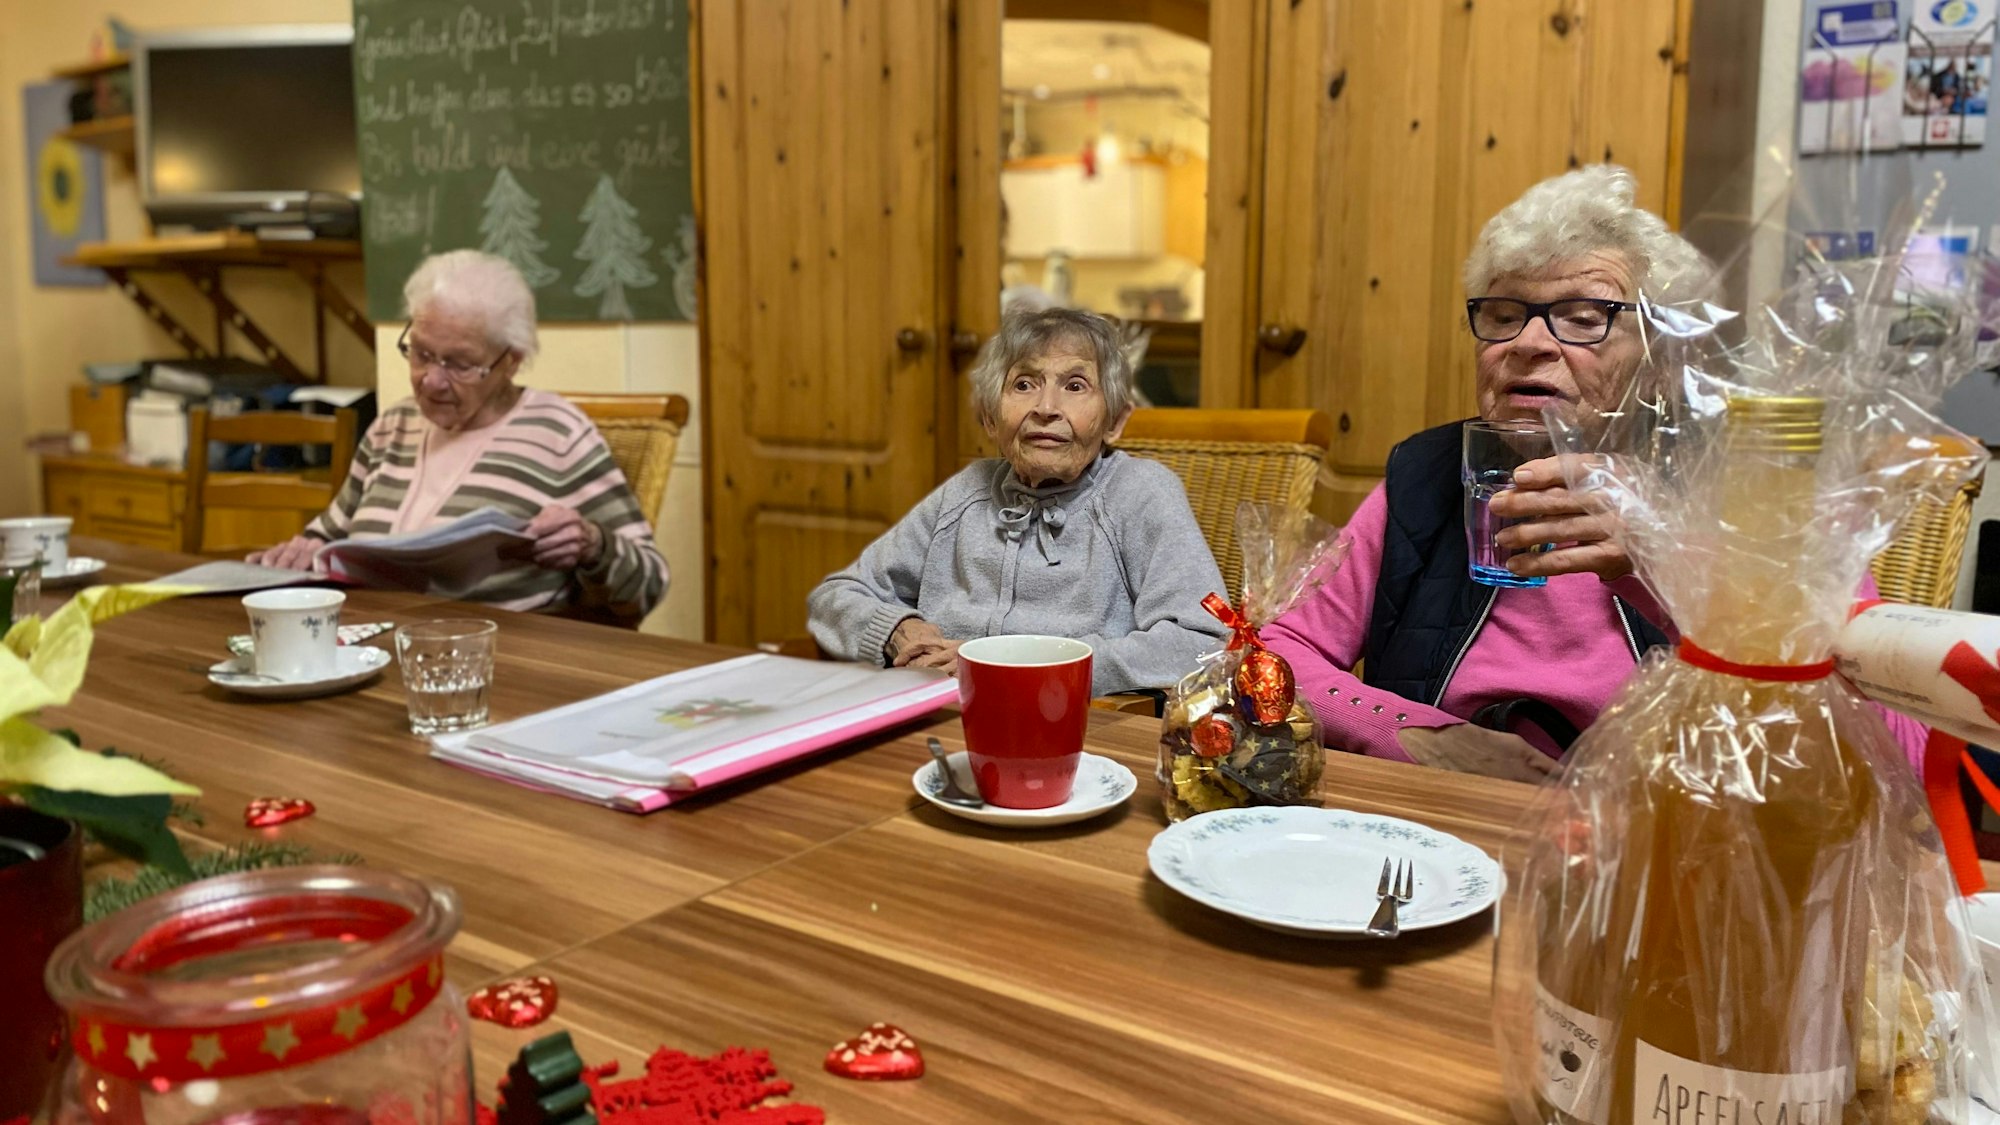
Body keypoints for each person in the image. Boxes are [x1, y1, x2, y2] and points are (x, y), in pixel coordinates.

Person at [1260, 165, 1924, 782]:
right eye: (1502, 314)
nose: (1528, 342)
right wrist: (1416, 734)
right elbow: (1274, 649)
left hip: (1664, 848)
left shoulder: (1759, 497)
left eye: (1585, 318)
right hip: (1443, 831)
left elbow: (1902, 755)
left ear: (1662, 361)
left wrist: (1662, 564)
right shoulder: (1428, 477)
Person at [806, 305, 1227, 695]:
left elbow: (1202, 639)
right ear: (991, 417)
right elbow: (836, 595)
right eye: (1024, 384)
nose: (1046, 407)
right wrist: (898, 629)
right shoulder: (966, 492)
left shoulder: (1140, 494)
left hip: (1076, 724)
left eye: (1075, 385)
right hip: (933, 713)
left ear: (1115, 421)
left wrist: (1015, 666)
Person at [249, 250, 667, 621]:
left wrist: (594, 545)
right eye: (421, 353)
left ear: (511, 362)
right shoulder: (392, 426)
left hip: (497, 663)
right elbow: (328, 537)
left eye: (460, 364)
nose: (431, 381)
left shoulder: (558, 433)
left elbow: (650, 582)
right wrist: (300, 552)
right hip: (365, 647)